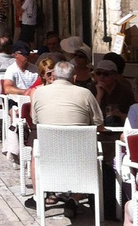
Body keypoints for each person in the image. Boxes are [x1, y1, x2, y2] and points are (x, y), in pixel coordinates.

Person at [27, 61, 104, 215]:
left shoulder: (39, 92)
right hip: (80, 158)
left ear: (53, 76)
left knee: (35, 153)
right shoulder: (85, 93)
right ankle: (75, 198)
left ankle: (37, 196)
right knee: (97, 154)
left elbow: (34, 120)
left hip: (49, 157)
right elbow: (99, 123)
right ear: (74, 77)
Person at [92, 59, 134, 126]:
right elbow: (91, 114)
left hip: (119, 128)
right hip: (98, 127)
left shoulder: (125, 92)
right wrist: (99, 95)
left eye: (106, 74)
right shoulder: (91, 89)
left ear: (115, 76)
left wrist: (120, 114)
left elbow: (133, 117)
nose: (101, 77)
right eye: (98, 73)